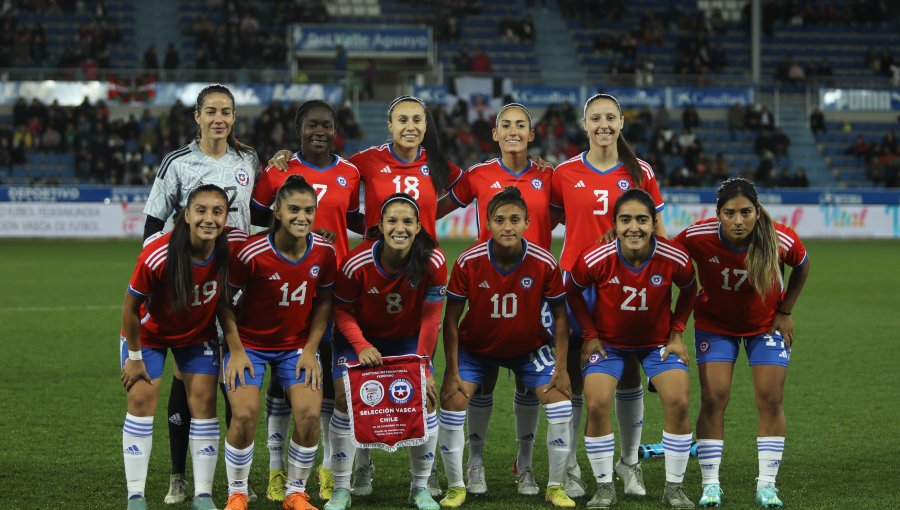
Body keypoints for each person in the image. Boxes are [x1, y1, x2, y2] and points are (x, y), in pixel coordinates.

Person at [271, 95, 460, 497]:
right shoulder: (362, 164)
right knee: (348, 395)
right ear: (388, 126)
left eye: (417, 120)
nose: (410, 126)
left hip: (414, 277)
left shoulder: (437, 168)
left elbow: (466, 188)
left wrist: (420, 224)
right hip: (368, 282)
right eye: (402, 120)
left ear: (426, 126)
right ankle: (356, 472)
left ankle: (421, 486)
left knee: (422, 392)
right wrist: (288, 158)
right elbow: (325, 171)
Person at [142, 83, 261, 505]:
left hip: (238, 284)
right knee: (186, 375)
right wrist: (164, 280)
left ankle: (235, 484)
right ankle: (179, 476)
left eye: (226, 111)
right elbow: (154, 223)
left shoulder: (248, 159)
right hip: (190, 285)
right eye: (211, 111)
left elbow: (258, 211)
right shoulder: (177, 162)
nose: (219, 118)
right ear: (197, 116)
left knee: (231, 374)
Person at [549, 93, 667, 499]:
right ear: (584, 124)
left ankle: (629, 463)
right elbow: (542, 226)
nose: (603, 124)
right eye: (595, 118)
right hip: (576, 287)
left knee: (629, 372)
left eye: (610, 117)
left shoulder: (641, 171)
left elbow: (660, 233)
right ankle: (572, 466)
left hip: (628, 287)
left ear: (621, 123)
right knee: (574, 377)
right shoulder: (563, 173)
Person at [436, 103, 556, 497]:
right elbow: (439, 208)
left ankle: (524, 464)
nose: (514, 131)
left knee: (530, 382)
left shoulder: (547, 175)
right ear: (495, 133)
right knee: (482, 379)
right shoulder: (479, 174)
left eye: (521, 125)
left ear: (531, 133)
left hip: (535, 290)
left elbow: (578, 212)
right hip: (487, 286)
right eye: (506, 125)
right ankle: (474, 464)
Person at [674, 178, 810, 508]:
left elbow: (802, 265)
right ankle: (710, 484)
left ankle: (766, 485)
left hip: (765, 327)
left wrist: (786, 310)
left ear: (757, 211)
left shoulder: (779, 238)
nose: (738, 220)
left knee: (770, 397)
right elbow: (664, 254)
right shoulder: (697, 236)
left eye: (746, 212)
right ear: (718, 213)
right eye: (730, 213)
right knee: (714, 397)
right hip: (715, 327)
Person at [251, 100, 361, 502]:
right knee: (284, 388)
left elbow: (352, 219)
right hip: (289, 290)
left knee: (330, 387)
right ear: (298, 129)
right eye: (312, 124)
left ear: (335, 129)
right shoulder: (279, 170)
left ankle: (328, 470)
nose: (320, 130)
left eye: (327, 125)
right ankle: (277, 471)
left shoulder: (350, 172)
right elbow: (260, 217)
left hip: (337, 289)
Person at [438, 187, 576, 509]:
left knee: (560, 404)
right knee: (453, 402)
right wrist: (452, 370)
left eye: (515, 219)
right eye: (500, 220)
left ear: (528, 222)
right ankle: (463, 478)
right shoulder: (468, 261)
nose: (508, 227)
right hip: (477, 348)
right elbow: (451, 319)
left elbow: (559, 317)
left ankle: (550, 483)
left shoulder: (543, 261)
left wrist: (562, 368)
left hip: (528, 349)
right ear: (488, 223)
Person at [566, 189, 697, 509]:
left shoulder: (674, 257)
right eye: (626, 220)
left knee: (679, 402)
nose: (634, 228)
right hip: (609, 345)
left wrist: (677, 332)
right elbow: (572, 290)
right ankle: (604, 487)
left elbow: (690, 289)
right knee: (596, 404)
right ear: (615, 224)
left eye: (642, 220)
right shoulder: (595, 258)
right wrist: (590, 335)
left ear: (654, 224)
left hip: (657, 345)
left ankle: (674, 488)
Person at [120, 184, 246, 510]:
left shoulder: (228, 249)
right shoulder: (159, 253)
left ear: (225, 217)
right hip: (148, 337)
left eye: (217, 212)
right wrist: (134, 358)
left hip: (195, 335)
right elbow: (130, 309)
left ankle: (203, 496)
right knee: (141, 399)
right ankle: (136, 497)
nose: (209, 218)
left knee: (204, 403)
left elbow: (224, 301)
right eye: (201, 210)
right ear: (187, 215)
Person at [220, 175, 336, 510]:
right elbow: (225, 304)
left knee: (310, 415)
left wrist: (312, 351)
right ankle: (237, 492)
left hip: (295, 346)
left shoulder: (325, 253)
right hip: (249, 344)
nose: (303, 217)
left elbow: (324, 302)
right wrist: (237, 351)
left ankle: (295, 493)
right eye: (294, 209)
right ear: (277, 211)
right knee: (243, 415)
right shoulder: (250, 253)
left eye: (309, 210)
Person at [324, 193, 447, 510]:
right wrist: (362, 344)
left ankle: (419, 487)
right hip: (359, 338)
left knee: (426, 400)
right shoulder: (357, 263)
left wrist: (425, 367)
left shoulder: (433, 261)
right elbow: (341, 311)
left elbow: (432, 318)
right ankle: (342, 487)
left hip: (406, 339)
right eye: (392, 220)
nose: (400, 227)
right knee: (344, 399)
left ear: (418, 227)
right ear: (379, 225)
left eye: (408, 221)